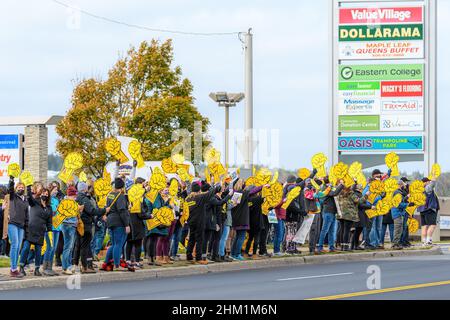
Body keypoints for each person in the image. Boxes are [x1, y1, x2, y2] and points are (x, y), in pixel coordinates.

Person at [75, 181, 108, 273]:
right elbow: (92, 210)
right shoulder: (84, 199)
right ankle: (85, 267)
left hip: (79, 224)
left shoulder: (77, 197)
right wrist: (104, 210)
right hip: (85, 225)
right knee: (84, 246)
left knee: (78, 245)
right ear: (84, 189)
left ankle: (76, 265)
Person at [19, 186, 52, 277]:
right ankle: (21, 267)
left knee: (38, 251)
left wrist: (50, 233)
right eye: (43, 193)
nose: (45, 195)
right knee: (26, 248)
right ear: (40, 194)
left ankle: (37, 269)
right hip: (30, 229)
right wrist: (29, 187)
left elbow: (49, 222)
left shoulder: (49, 208)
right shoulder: (35, 202)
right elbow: (29, 197)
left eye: (46, 194)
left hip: (41, 231)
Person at [185, 181, 220, 265]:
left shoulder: (188, 198)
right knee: (200, 240)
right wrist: (217, 187)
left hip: (191, 221)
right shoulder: (199, 197)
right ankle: (198, 258)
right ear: (198, 190)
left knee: (192, 239)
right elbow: (210, 193)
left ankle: (189, 255)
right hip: (199, 221)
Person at [102, 178, 131, 272]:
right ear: (122, 187)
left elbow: (107, 206)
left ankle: (106, 263)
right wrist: (127, 224)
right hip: (119, 222)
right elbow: (122, 211)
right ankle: (117, 265)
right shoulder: (121, 196)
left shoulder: (110, 195)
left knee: (113, 244)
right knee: (118, 244)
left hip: (110, 221)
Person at [6, 176, 29, 278]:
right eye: (19, 187)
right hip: (12, 223)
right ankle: (13, 269)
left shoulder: (25, 200)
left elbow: (26, 213)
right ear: (16, 189)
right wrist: (11, 180)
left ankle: (14, 268)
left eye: (22, 187)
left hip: (21, 225)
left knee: (18, 246)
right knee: (14, 245)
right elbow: (10, 189)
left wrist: (26, 225)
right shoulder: (13, 196)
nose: (21, 188)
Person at [126, 177, 151, 269]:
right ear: (140, 183)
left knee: (129, 241)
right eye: (144, 183)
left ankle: (128, 260)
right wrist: (149, 216)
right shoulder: (139, 194)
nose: (145, 186)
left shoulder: (130, 192)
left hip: (129, 220)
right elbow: (140, 213)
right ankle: (136, 261)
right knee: (138, 242)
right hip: (136, 220)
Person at [317, 179, 344, 254]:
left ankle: (331, 247)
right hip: (328, 212)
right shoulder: (325, 188)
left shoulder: (330, 187)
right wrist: (341, 185)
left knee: (332, 231)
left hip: (333, 212)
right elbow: (334, 193)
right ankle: (320, 247)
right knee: (324, 230)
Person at [41, 184, 62, 276]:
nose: (56, 191)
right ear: (50, 190)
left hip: (57, 227)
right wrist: (55, 211)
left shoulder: (57, 200)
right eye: (55, 190)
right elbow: (49, 212)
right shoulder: (47, 201)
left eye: (57, 190)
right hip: (49, 228)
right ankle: (45, 267)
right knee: (50, 247)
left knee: (54, 248)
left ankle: (50, 267)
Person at [61, 186, 81, 275]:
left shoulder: (71, 202)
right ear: (70, 195)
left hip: (71, 225)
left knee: (70, 247)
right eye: (74, 196)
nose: (75, 198)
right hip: (68, 225)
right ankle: (65, 267)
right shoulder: (66, 203)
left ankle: (68, 265)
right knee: (68, 247)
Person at [336, 184, 360, 252]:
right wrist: (366, 196)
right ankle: (346, 247)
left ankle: (342, 246)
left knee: (342, 230)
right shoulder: (351, 193)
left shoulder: (339, 193)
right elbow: (358, 201)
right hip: (348, 214)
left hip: (340, 214)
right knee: (346, 230)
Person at [418, 177, 440, 246]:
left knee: (424, 226)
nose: (429, 182)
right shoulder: (427, 187)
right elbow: (432, 185)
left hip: (422, 210)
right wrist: (433, 179)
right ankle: (428, 241)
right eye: (428, 181)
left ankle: (424, 241)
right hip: (429, 209)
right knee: (432, 225)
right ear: (425, 182)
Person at [391, 180, 410, 250]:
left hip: (398, 213)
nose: (404, 187)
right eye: (403, 186)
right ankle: (395, 244)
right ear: (400, 185)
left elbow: (400, 201)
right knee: (398, 229)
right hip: (397, 213)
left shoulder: (398, 193)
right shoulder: (397, 193)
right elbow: (399, 204)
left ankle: (397, 243)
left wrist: (406, 198)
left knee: (400, 229)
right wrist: (408, 204)